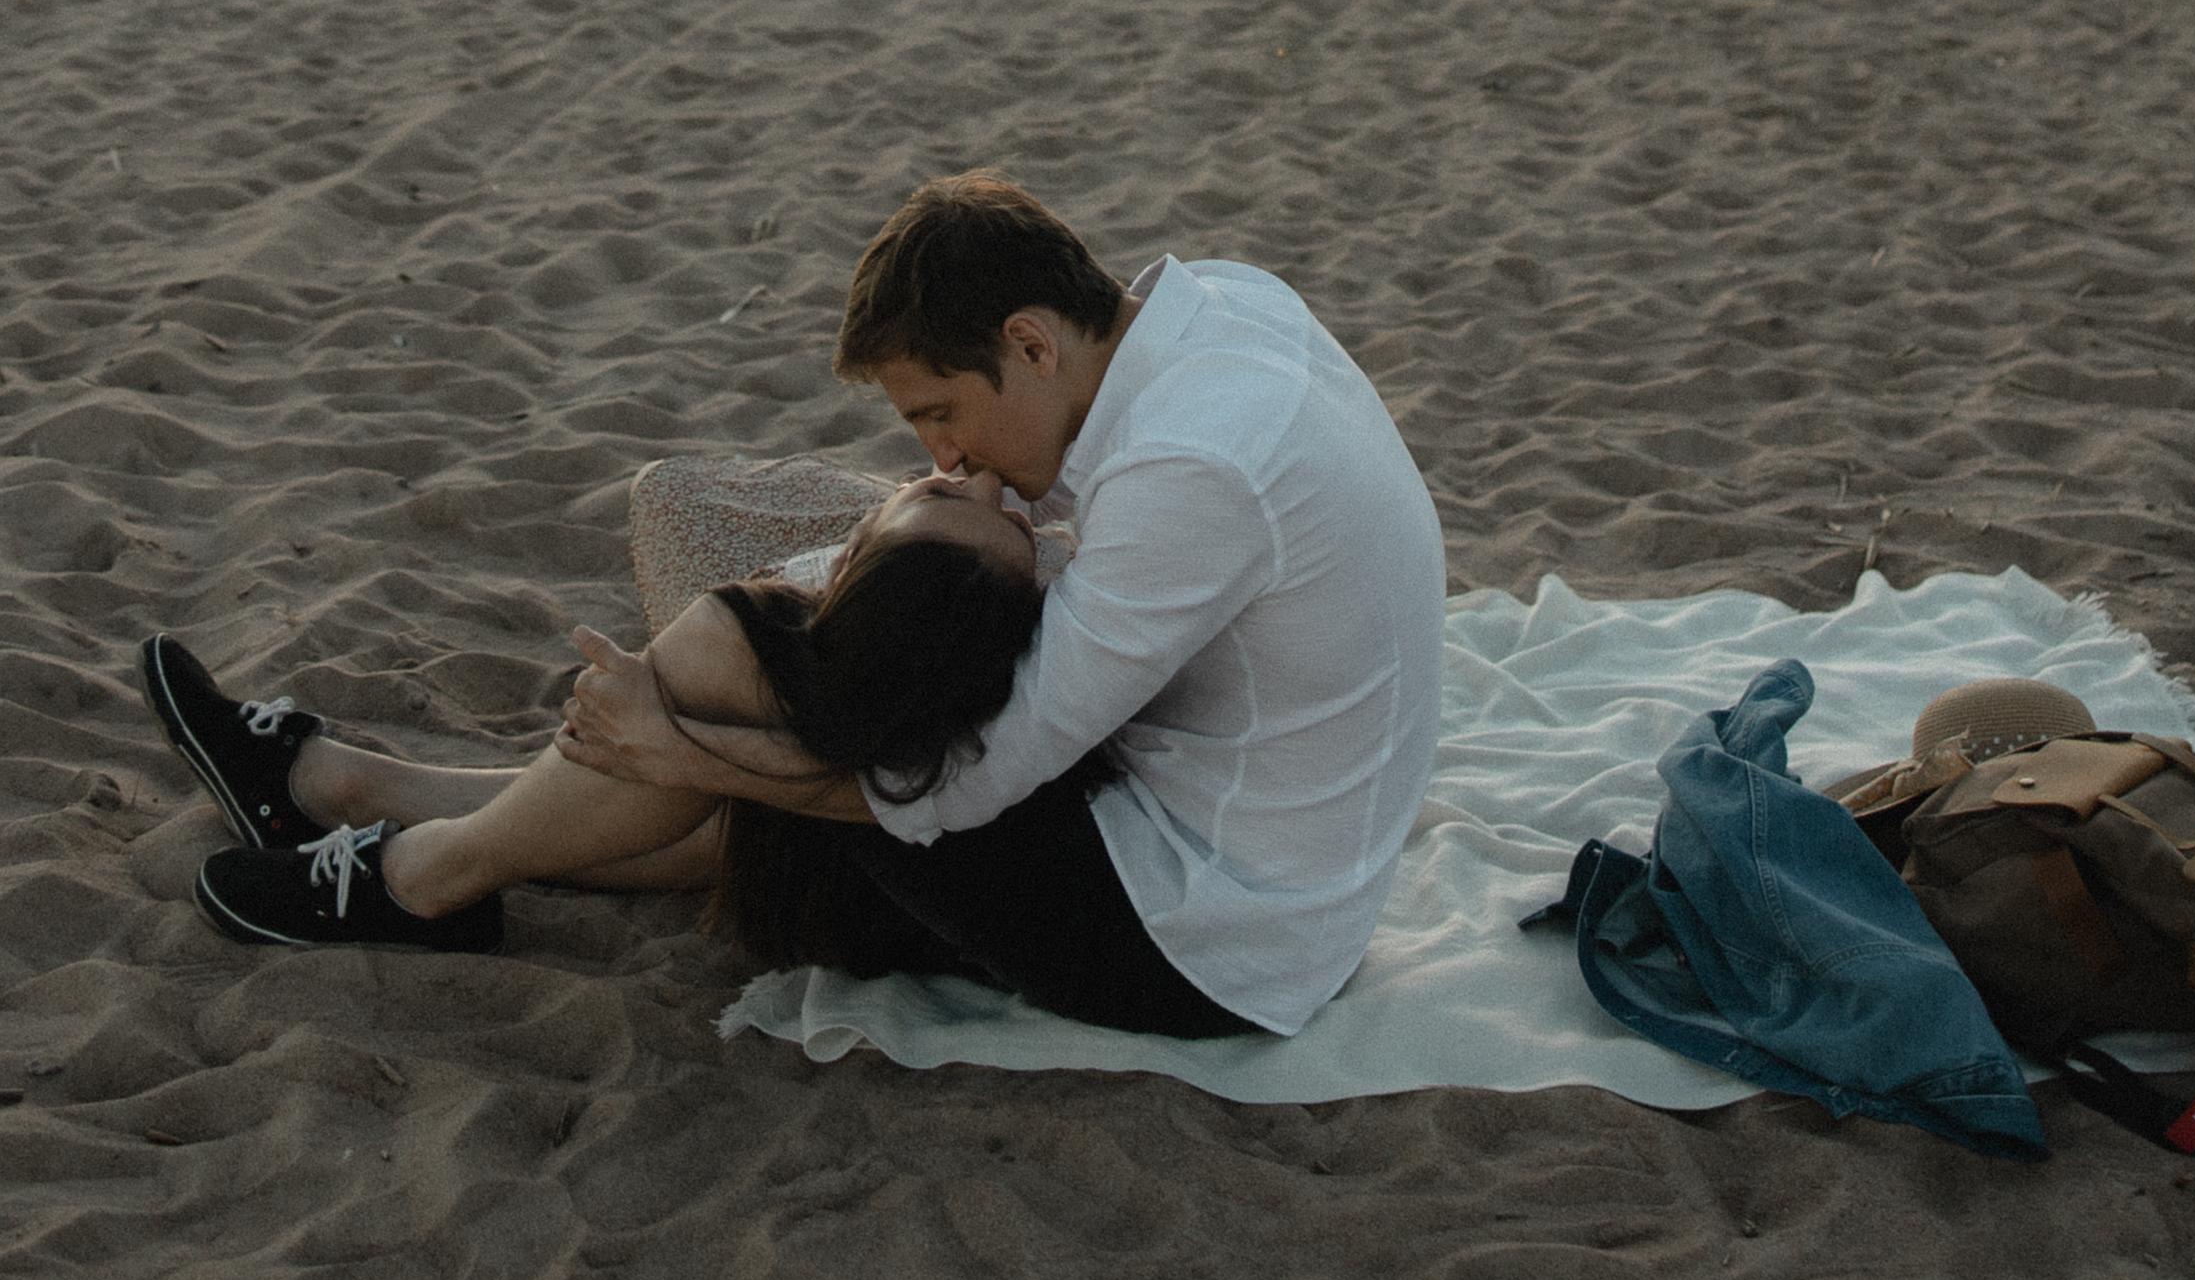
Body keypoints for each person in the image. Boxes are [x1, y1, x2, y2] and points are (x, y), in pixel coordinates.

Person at [562, 175, 1449, 1039]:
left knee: (771, 660)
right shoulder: (1226, 304)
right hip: (1252, 839)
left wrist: (686, 753)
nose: (942, 456)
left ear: (1031, 345)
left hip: (1201, 941)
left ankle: (440, 868)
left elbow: (970, 781)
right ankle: (485, 817)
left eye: (941, 413)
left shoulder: (1193, 464)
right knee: (816, 642)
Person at [143, 470, 1041, 956]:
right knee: (743, 696)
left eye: (945, 493)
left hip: (991, 890)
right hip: (902, 837)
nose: (983, 481)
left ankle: (420, 881)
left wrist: (682, 745)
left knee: (728, 642)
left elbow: (922, 776)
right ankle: (347, 790)